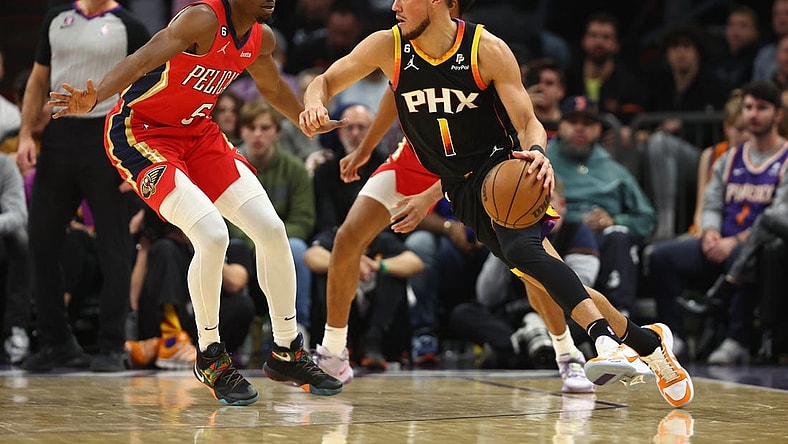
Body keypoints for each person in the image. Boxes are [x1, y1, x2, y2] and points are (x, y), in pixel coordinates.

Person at [301, 0, 693, 407]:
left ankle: (596, 344)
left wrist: (538, 150)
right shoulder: (389, 45)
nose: (395, 5)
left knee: (530, 259)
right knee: (543, 273)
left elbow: (526, 120)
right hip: (453, 184)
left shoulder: (486, 49)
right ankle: (647, 341)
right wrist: (316, 104)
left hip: (499, 173)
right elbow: (328, 81)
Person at [47, 0, 344, 405]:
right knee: (211, 234)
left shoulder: (261, 37)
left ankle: (287, 350)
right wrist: (95, 95)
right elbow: (139, 60)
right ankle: (211, 356)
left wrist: (305, 121)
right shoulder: (201, 19)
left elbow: (272, 87)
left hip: (199, 135)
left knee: (272, 230)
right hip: (142, 133)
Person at [17, 0, 150, 373]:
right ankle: (56, 342)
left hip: (107, 137)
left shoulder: (130, 26)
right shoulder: (56, 18)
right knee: (41, 240)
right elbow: (38, 79)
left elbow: (148, 90)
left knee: (114, 245)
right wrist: (28, 133)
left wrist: (137, 155)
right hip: (59, 135)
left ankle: (111, 345)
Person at [648, 81, 788, 365]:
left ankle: (737, 338)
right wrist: (710, 232)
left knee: (740, 256)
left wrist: (733, 242)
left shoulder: (785, 159)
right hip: (718, 241)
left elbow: (776, 216)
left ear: (777, 115)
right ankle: (676, 336)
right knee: (661, 256)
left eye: (762, 108)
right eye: (749, 107)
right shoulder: (729, 158)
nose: (753, 114)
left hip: (754, 247)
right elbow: (711, 203)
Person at [547, 96, 656, 317]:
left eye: (587, 123)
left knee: (619, 235)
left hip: (604, 239)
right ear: (560, 125)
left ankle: (621, 320)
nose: (580, 128)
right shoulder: (543, 159)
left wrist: (615, 220)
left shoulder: (613, 169)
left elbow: (647, 219)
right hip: (558, 236)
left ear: (598, 129)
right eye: (572, 121)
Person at [232, 99, 315, 347]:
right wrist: (258, 241)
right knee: (231, 245)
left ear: (277, 133)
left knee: (298, 248)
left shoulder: (295, 169)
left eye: (265, 128)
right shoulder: (229, 165)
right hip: (244, 244)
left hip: (283, 242)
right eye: (251, 127)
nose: (258, 134)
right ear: (241, 131)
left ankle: (298, 326)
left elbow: (304, 219)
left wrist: (271, 242)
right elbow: (225, 217)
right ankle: (243, 331)